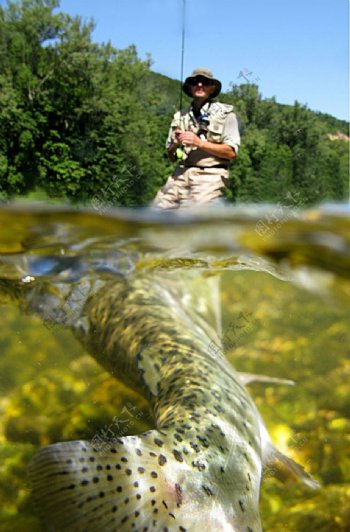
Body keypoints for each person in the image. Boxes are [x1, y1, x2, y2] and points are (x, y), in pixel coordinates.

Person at [153, 67, 240, 209]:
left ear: (212, 88)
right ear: (189, 86)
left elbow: (231, 153)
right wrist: (175, 144)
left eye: (205, 82)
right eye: (195, 81)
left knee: (190, 216)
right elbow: (171, 156)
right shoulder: (179, 116)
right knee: (155, 214)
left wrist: (199, 143)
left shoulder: (227, 115)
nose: (200, 85)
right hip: (180, 172)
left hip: (211, 174)